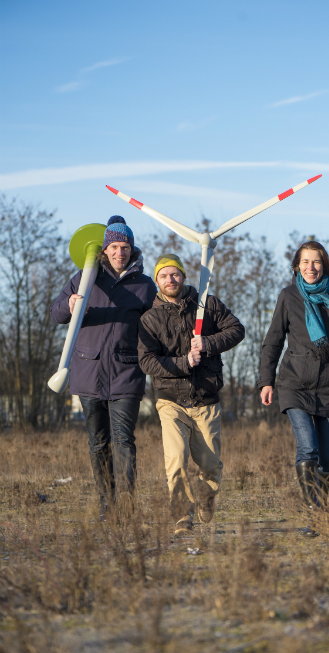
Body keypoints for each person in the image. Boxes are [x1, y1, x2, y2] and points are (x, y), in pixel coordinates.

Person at [258, 241, 329, 534]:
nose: (311, 267)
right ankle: (316, 513)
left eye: (316, 262)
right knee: (307, 449)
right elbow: (273, 341)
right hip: (294, 382)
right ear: (297, 266)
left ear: (324, 265)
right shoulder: (288, 296)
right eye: (305, 262)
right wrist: (266, 381)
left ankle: (318, 504)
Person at [51, 216, 157, 519]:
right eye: (113, 246)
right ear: (104, 249)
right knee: (98, 442)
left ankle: (127, 504)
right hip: (88, 371)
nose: (119, 252)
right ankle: (105, 504)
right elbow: (55, 314)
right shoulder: (84, 277)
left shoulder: (145, 286)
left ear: (132, 250)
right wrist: (69, 305)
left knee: (124, 440)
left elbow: (158, 326)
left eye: (125, 247)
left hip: (127, 372)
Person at [138, 254, 245, 536]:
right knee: (176, 459)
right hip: (170, 400)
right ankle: (182, 516)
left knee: (210, 464)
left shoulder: (206, 305)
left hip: (206, 398)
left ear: (183, 277)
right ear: (157, 281)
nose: (170, 280)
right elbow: (147, 361)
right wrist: (184, 362)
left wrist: (208, 342)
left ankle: (207, 497)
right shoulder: (150, 318)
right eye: (163, 276)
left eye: (175, 274)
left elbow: (237, 330)